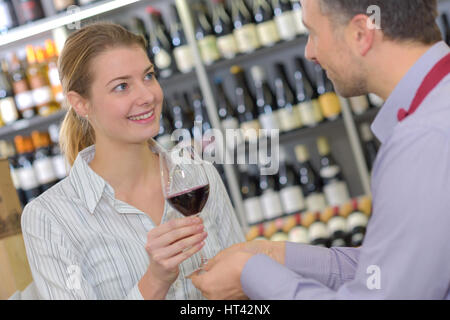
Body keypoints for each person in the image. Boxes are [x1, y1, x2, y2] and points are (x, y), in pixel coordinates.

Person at [190, 0, 450, 299]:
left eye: (312, 33)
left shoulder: (424, 141)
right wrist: (273, 255)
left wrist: (251, 275)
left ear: (361, 34)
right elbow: (393, 271)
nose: (309, 52)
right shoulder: (434, 112)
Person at [20, 22, 244, 300]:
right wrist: (154, 282)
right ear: (80, 103)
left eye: (149, 76)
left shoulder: (200, 175)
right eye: (122, 86)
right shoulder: (50, 219)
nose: (148, 96)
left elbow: (246, 286)